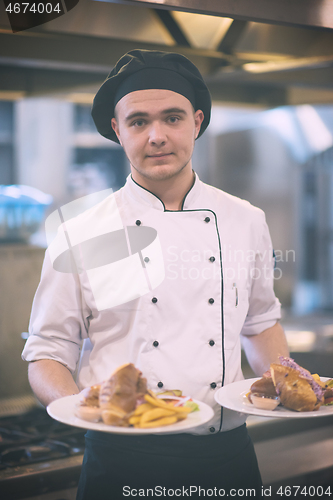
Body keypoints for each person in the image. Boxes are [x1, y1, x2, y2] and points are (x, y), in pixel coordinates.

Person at [22, 49, 289, 499]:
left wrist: (291, 382)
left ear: (197, 122)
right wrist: (81, 407)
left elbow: (260, 323)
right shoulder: (82, 230)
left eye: (172, 118)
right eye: (139, 122)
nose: (157, 136)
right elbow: (48, 351)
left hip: (227, 455)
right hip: (121, 455)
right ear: (117, 130)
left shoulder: (246, 219)